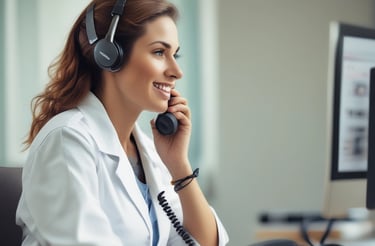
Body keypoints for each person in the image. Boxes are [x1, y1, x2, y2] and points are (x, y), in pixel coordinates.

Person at [15, 0, 229, 245]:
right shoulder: (67, 140)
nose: (176, 71)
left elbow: (208, 242)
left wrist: (179, 165)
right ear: (109, 55)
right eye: (159, 52)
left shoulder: (146, 151)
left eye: (175, 54)